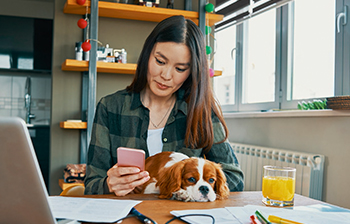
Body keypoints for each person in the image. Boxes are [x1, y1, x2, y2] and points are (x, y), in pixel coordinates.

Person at [84, 15, 244, 196]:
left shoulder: (202, 111)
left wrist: (196, 186)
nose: (166, 75)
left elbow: (235, 179)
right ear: (147, 55)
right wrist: (108, 184)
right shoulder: (110, 107)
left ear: (192, 71)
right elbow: (91, 186)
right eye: (160, 61)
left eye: (180, 69)